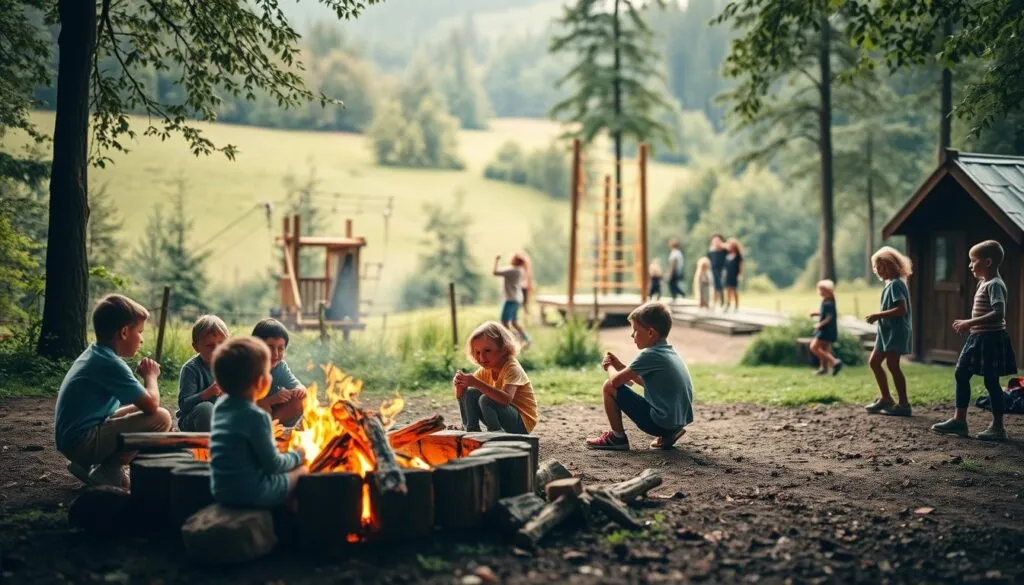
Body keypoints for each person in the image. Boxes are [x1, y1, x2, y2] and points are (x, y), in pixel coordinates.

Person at [55, 294, 173, 489]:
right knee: (161, 417)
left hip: (73, 438)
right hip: (81, 442)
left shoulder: (97, 352)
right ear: (124, 332)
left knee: (139, 409)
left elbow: (140, 402)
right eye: (140, 332)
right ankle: (108, 469)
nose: (142, 340)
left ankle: (88, 465)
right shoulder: (110, 363)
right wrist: (151, 376)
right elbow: (151, 405)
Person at [932, 240, 1017, 441]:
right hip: (976, 338)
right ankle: (959, 421)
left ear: (987, 262)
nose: (970, 265)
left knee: (991, 382)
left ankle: (998, 427)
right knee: (961, 373)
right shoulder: (983, 283)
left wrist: (969, 322)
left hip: (991, 340)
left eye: (973, 261)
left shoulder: (995, 284)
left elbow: (999, 313)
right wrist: (972, 327)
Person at [209, 336, 307, 508]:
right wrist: (298, 455)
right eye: (267, 372)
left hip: (221, 490)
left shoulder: (221, 407)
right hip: (253, 493)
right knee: (302, 471)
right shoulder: (255, 416)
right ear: (261, 382)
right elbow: (274, 465)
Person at [585, 302, 694, 450]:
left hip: (658, 424)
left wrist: (609, 366)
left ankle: (617, 438)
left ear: (650, 333)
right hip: (677, 421)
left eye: (635, 330)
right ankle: (670, 434)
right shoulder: (668, 352)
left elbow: (615, 381)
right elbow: (646, 382)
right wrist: (620, 366)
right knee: (614, 384)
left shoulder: (650, 354)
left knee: (608, 386)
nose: (632, 335)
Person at [453, 321, 537, 435]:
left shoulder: (512, 368)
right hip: (505, 417)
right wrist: (460, 386)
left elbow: (506, 399)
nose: (481, 357)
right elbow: (463, 397)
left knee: (486, 399)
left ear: (503, 349)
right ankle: (471, 430)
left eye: (487, 351)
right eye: (477, 352)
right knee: (470, 393)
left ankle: (496, 434)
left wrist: (476, 383)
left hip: (521, 423)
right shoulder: (486, 369)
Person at [864, 246, 914, 416]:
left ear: (890, 265)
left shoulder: (896, 285)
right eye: (875, 267)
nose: (877, 271)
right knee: (874, 362)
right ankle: (886, 398)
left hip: (896, 331)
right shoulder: (891, 284)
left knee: (893, 365)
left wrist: (878, 315)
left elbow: (902, 310)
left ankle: (904, 404)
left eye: (880, 267)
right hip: (886, 332)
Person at [176, 315, 230, 432]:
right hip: (194, 421)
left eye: (221, 343)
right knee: (206, 408)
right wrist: (207, 393)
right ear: (196, 347)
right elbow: (184, 405)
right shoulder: (191, 369)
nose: (216, 349)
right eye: (210, 345)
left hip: (221, 419)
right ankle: (210, 445)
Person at [251, 318, 307, 427]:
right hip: (249, 414)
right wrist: (271, 400)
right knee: (263, 406)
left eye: (281, 349)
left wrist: (300, 390)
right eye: (270, 347)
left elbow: (297, 385)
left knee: (297, 399)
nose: (275, 354)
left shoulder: (280, 367)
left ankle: (272, 428)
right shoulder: (246, 366)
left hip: (273, 415)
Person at [494, 254, 531, 349]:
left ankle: (511, 341)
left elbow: (495, 272)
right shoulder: (520, 270)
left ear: (515, 261)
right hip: (517, 299)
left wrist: (496, 260)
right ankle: (526, 339)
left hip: (510, 299)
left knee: (504, 322)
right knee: (514, 322)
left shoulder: (512, 270)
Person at [809, 280, 843, 376]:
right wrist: (816, 313)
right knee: (824, 349)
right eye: (819, 290)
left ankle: (834, 362)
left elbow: (829, 317)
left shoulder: (828, 302)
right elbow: (826, 314)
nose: (820, 292)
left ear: (828, 290)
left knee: (814, 347)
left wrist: (819, 325)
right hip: (829, 330)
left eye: (822, 290)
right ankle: (824, 369)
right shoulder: (829, 301)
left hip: (826, 330)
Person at [707, 235, 728, 309]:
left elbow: (729, 248)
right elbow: (709, 260)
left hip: (722, 270)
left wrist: (721, 245)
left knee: (721, 286)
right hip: (713, 270)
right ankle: (714, 302)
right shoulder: (711, 251)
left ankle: (722, 303)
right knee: (714, 287)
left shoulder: (724, 250)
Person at [723, 238, 744, 311]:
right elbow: (725, 266)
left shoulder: (738, 255)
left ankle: (736, 306)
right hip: (728, 274)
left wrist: (740, 274)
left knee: (734, 290)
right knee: (727, 290)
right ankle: (728, 304)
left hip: (734, 274)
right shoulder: (727, 254)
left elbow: (741, 265)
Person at [519, 251, 535, 325]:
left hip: (524, 288)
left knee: (525, 305)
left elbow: (529, 279)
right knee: (523, 305)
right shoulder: (520, 269)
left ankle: (526, 320)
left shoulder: (526, 269)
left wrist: (530, 286)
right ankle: (524, 320)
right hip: (521, 288)